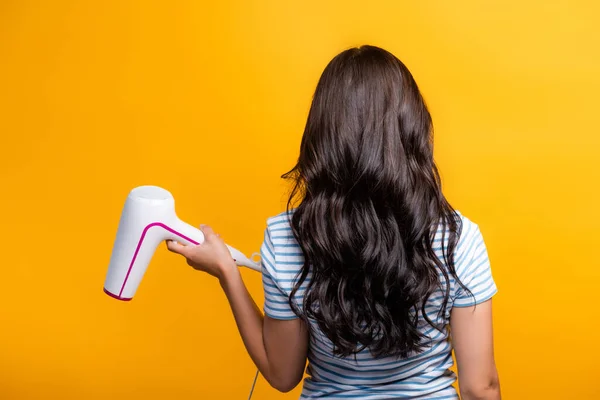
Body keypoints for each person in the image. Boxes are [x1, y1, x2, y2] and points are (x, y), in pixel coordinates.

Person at [166, 45, 501, 400]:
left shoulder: (286, 236)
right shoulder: (457, 237)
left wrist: (227, 273)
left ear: (322, 135)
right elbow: (480, 388)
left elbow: (283, 375)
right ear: (412, 129)